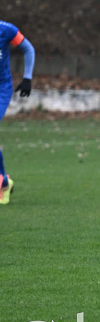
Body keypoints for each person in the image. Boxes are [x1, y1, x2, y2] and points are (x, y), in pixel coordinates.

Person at [0, 20, 35, 205]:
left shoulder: (5, 30)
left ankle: (3, 183)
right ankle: (3, 180)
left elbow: (28, 49)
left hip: (1, 88)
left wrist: (27, 77)